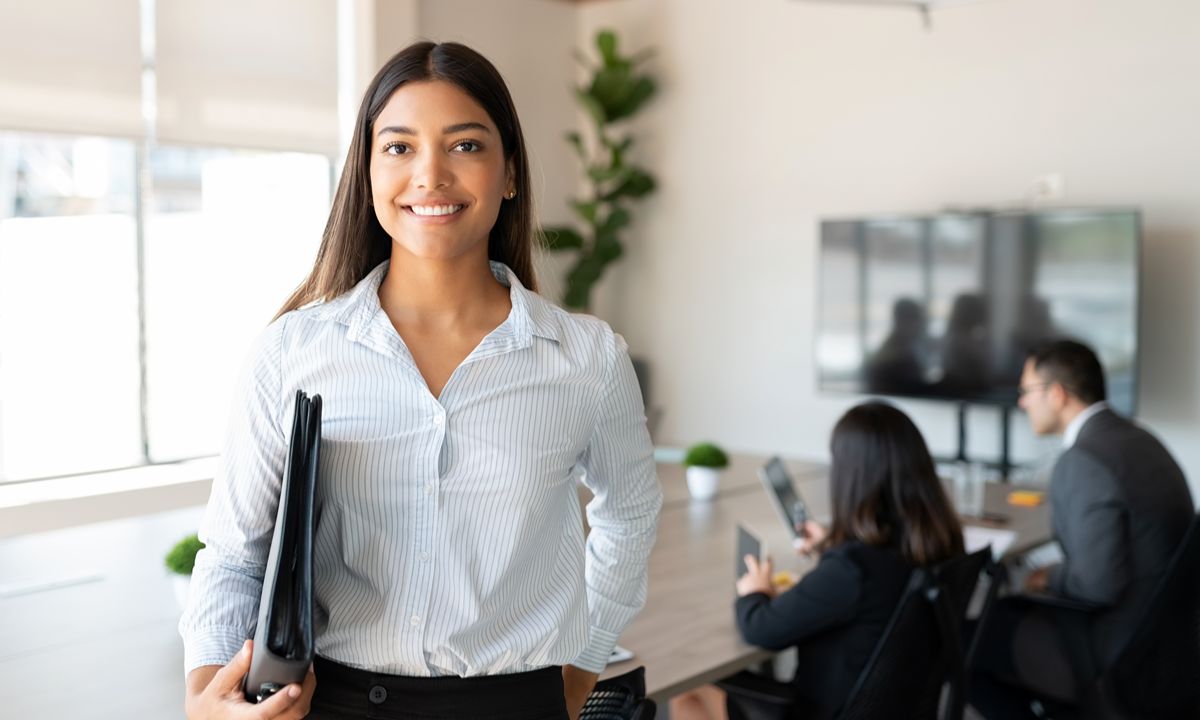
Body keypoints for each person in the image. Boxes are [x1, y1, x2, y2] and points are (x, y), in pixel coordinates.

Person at [179, 41, 662, 720]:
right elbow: (234, 554)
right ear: (369, 171)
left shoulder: (586, 358)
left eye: (464, 146)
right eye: (399, 148)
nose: (429, 176)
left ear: (511, 172)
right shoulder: (293, 350)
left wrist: (580, 668)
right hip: (333, 703)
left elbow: (632, 515)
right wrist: (206, 698)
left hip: (516, 702)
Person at [670, 402, 965, 720]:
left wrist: (753, 591)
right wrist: (830, 546)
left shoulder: (851, 570)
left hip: (822, 712)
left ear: (851, 477)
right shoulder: (940, 544)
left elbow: (760, 628)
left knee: (688, 691)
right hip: (897, 708)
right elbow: (874, 579)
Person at [970, 339, 1193, 717]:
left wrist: (1046, 577)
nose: (1022, 402)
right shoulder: (1142, 440)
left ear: (1056, 394)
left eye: (1027, 391)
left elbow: (1097, 585)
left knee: (965, 640)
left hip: (1114, 648)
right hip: (1169, 642)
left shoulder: (1083, 461)